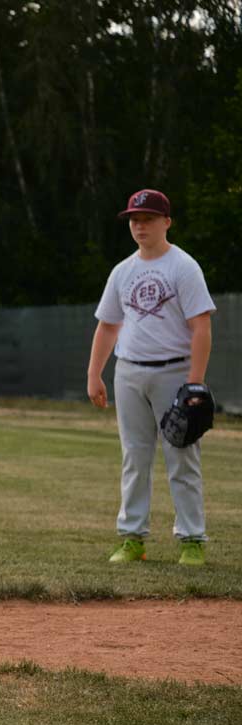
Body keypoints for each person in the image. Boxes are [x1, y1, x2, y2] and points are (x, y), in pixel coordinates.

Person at [87, 188, 216, 566]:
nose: (139, 225)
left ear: (166, 222)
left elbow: (201, 327)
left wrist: (195, 382)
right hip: (129, 373)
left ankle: (192, 539)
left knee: (182, 456)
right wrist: (95, 373)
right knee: (134, 458)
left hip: (174, 372)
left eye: (147, 219)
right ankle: (132, 538)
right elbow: (108, 326)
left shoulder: (183, 266)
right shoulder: (123, 271)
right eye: (134, 219)